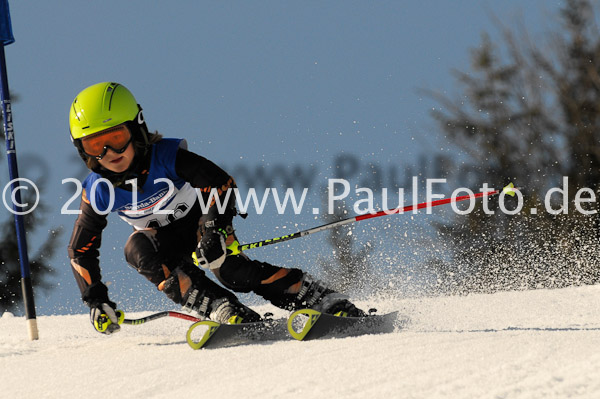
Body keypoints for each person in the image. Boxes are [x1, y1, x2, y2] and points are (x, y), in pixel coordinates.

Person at [67, 82, 366, 334]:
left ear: (137, 129)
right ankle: (222, 308)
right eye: (96, 146)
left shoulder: (167, 158)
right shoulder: (98, 190)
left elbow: (220, 183)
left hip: (202, 222)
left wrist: (214, 229)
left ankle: (321, 299)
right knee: (135, 248)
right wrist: (95, 299)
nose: (110, 153)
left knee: (231, 271)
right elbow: (80, 249)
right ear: (84, 151)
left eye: (117, 139)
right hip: (161, 243)